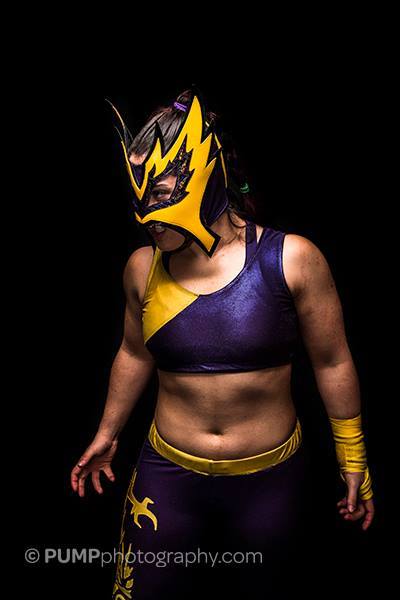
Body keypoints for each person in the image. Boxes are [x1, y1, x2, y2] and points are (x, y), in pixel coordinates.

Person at [70, 90, 375, 599]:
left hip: (270, 482)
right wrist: (107, 433)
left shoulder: (291, 259)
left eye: (161, 191)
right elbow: (134, 352)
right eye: (139, 195)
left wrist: (353, 455)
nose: (147, 212)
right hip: (167, 480)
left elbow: (332, 361)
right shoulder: (142, 268)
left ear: (207, 175)